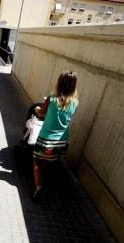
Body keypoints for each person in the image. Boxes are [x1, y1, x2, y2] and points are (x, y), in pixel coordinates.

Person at [32, 71, 79, 201]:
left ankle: (38, 187)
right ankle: (50, 182)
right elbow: (65, 117)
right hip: (62, 142)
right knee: (53, 161)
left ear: (59, 83)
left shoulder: (51, 99)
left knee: (37, 160)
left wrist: (37, 109)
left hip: (46, 140)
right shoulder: (75, 102)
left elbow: (41, 114)